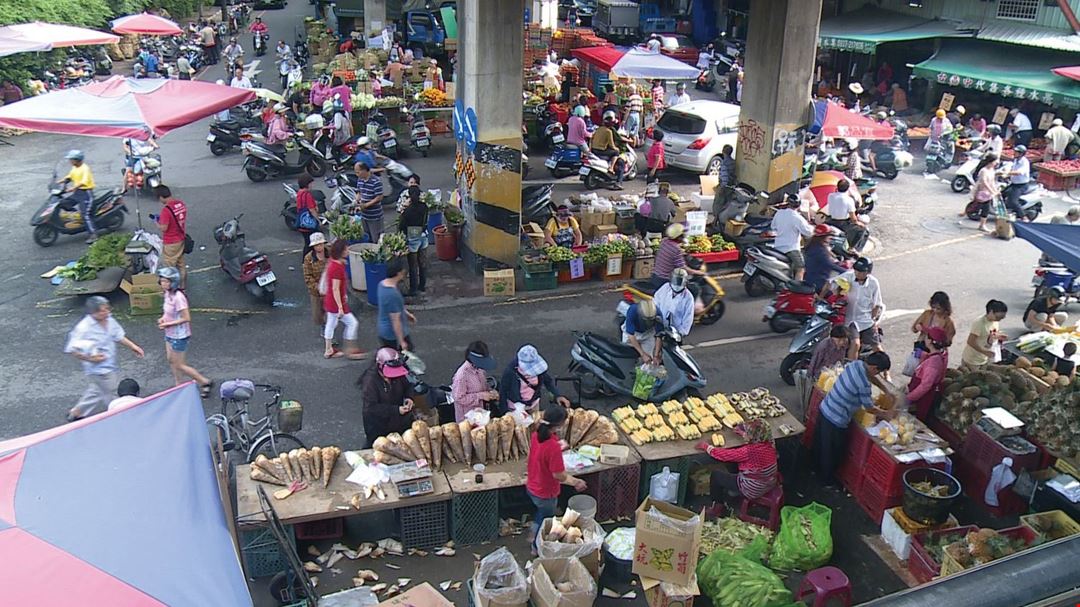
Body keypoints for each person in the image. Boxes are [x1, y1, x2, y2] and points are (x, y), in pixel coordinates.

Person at [814, 352, 894, 485]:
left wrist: (885, 389)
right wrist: (887, 414)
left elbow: (870, 376)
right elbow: (869, 408)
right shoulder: (864, 384)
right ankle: (826, 481)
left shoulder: (856, 364)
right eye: (878, 372)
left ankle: (815, 470)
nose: (877, 375)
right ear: (874, 368)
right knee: (832, 452)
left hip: (826, 407)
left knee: (821, 445)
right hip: (836, 419)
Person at [64, 296, 145, 421]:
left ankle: (77, 412)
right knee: (111, 391)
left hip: (109, 364)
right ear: (93, 313)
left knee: (97, 390)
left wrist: (133, 346)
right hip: (98, 369)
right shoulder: (84, 328)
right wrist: (91, 359)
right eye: (102, 310)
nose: (106, 312)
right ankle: (116, 415)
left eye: (107, 309)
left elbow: (118, 335)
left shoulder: (109, 320)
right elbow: (73, 349)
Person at [525, 405, 587, 553]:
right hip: (545, 492)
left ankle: (533, 532)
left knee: (541, 513)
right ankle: (536, 546)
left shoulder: (536, 435)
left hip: (532, 485)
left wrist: (558, 446)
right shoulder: (552, 447)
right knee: (545, 518)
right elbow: (558, 475)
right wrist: (576, 481)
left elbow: (542, 453)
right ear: (560, 424)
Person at [698, 419, 778, 511]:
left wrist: (707, 447)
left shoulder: (749, 451)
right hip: (770, 482)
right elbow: (757, 438)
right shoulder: (770, 443)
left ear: (751, 436)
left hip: (753, 488)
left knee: (716, 475)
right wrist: (743, 434)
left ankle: (717, 507)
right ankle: (733, 490)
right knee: (734, 463)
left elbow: (725, 455)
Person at [155, 266, 212, 395]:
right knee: (171, 359)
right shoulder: (167, 294)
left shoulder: (179, 297)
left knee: (179, 364)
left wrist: (168, 324)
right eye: (162, 281)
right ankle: (178, 384)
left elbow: (186, 318)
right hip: (169, 333)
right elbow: (168, 312)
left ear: (173, 282)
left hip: (179, 335)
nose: (163, 283)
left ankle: (204, 381)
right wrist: (163, 319)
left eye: (166, 281)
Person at [822, 257, 883, 359]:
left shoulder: (873, 283)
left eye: (860, 271)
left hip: (865, 320)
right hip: (850, 320)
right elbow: (830, 283)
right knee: (855, 344)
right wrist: (821, 297)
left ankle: (885, 368)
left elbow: (877, 304)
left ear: (867, 272)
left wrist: (873, 321)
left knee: (877, 347)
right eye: (856, 271)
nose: (857, 273)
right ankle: (852, 366)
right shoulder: (849, 276)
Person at [360, 348, 415, 447]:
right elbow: (370, 408)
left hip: (398, 422)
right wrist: (396, 410)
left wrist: (409, 397)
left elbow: (408, 386)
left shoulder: (398, 374)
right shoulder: (370, 382)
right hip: (378, 425)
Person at [322, 239, 366, 360]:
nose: (347, 251)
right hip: (336, 303)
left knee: (331, 324)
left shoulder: (333, 263)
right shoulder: (337, 267)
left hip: (331, 301)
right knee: (352, 323)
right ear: (341, 251)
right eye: (346, 249)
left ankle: (329, 349)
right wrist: (340, 307)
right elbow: (336, 288)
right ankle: (350, 349)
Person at [497, 345, 570, 415]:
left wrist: (558, 395)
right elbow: (503, 391)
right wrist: (505, 412)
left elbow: (548, 381)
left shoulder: (540, 371)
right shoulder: (510, 372)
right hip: (516, 407)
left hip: (534, 404)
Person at [905, 326, 949, 421]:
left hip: (922, 399)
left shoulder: (933, 364)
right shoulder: (942, 354)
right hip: (922, 394)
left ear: (929, 341)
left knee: (914, 420)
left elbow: (925, 385)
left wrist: (910, 397)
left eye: (927, 336)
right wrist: (924, 355)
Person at [451, 341, 499, 422]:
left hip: (480, 414)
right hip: (467, 419)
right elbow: (459, 398)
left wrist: (491, 391)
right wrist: (481, 396)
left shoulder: (480, 369)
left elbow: (483, 385)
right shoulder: (462, 376)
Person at [771, 193, 813, 282]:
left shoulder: (779, 213)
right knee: (801, 267)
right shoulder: (797, 217)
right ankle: (797, 286)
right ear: (798, 205)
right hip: (791, 248)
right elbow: (808, 232)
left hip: (777, 246)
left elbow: (773, 226)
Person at [153, 185, 189, 290]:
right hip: (180, 239)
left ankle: (172, 290)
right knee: (181, 264)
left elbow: (164, 228)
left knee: (169, 268)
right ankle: (183, 287)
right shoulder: (180, 204)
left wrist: (156, 222)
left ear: (161, 197)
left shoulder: (166, 210)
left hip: (171, 242)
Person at [59, 150, 98, 243]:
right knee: (63, 203)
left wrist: (73, 188)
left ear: (77, 160)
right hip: (78, 193)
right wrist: (60, 181)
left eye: (71, 159)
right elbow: (70, 176)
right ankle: (77, 218)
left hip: (86, 194)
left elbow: (84, 182)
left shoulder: (85, 168)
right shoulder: (75, 167)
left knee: (85, 214)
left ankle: (93, 234)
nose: (70, 161)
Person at [377, 257, 416, 351]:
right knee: (406, 354)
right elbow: (395, 320)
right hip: (392, 334)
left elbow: (396, 307)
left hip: (383, 331)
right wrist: (401, 341)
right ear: (399, 273)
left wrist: (407, 314)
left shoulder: (382, 284)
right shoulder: (393, 294)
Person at [650, 223, 703, 288]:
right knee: (692, 287)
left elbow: (670, 255)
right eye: (682, 235)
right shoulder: (676, 249)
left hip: (655, 277)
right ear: (678, 237)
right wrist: (698, 272)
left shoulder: (664, 241)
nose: (684, 237)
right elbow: (683, 268)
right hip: (665, 281)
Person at [398, 185, 429, 296]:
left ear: (409, 196)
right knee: (422, 263)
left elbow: (402, 226)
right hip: (423, 235)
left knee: (413, 265)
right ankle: (422, 285)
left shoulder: (408, 211)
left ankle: (414, 288)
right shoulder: (424, 207)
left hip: (412, 237)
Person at [960, 300, 1008, 369]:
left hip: (984, 358)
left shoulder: (995, 322)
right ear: (991, 312)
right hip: (972, 360)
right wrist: (984, 352)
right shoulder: (979, 323)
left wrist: (998, 336)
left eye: (1002, 318)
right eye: (998, 317)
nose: (999, 320)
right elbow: (970, 341)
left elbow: (990, 334)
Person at [803, 224, 847, 293]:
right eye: (829, 236)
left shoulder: (813, 245)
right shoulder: (819, 250)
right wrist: (846, 272)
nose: (830, 238)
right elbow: (828, 264)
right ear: (824, 237)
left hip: (810, 277)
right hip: (817, 281)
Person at [653, 268, 695, 337]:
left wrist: (680, 333)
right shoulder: (665, 288)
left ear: (685, 283)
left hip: (676, 331)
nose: (677, 285)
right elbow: (655, 301)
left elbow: (688, 318)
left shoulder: (688, 298)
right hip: (660, 325)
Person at [825, 179, 865, 249]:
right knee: (861, 230)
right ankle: (851, 248)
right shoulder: (849, 200)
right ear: (847, 188)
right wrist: (859, 223)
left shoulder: (830, 195)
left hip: (830, 220)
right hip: (842, 223)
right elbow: (853, 218)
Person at [590, 111, 625, 189]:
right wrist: (617, 148)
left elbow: (592, 139)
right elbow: (612, 145)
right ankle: (611, 168)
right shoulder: (609, 131)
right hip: (602, 151)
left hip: (594, 150)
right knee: (616, 153)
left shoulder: (598, 129)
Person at [965, 153, 999, 232]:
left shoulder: (992, 170)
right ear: (991, 161)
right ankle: (979, 223)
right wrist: (992, 191)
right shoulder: (984, 170)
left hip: (988, 193)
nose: (996, 163)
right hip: (982, 191)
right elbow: (984, 182)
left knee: (985, 208)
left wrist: (995, 190)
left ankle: (982, 225)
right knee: (979, 206)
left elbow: (992, 182)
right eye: (995, 161)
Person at [302, 231, 329, 328]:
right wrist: (318, 288)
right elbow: (308, 276)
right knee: (318, 314)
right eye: (317, 245)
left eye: (321, 244)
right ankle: (323, 326)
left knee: (331, 312)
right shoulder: (308, 259)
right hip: (316, 291)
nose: (319, 247)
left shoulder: (330, 253)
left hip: (330, 288)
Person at [622, 298, 661, 365]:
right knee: (626, 354)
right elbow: (631, 335)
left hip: (648, 333)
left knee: (650, 359)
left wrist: (656, 355)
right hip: (634, 332)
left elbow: (659, 335)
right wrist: (642, 354)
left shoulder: (658, 314)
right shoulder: (633, 310)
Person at [355, 162, 385, 242]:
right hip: (364, 215)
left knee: (376, 239)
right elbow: (359, 192)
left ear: (364, 170)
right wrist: (357, 199)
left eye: (358, 172)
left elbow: (379, 197)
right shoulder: (360, 180)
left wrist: (366, 205)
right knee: (367, 236)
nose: (357, 174)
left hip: (374, 216)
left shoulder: (376, 181)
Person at [294, 173, 321, 256]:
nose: (312, 185)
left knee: (307, 242)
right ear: (307, 184)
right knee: (313, 243)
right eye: (311, 183)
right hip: (309, 224)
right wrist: (318, 220)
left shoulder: (299, 193)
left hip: (302, 223)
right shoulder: (307, 195)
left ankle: (307, 260)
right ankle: (307, 260)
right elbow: (312, 210)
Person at [1003, 145, 1032, 221]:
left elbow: (1019, 172)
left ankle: (1024, 217)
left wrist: (1007, 173)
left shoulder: (1025, 162)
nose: (1014, 153)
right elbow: (1011, 167)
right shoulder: (1016, 160)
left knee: (1013, 201)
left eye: (1016, 152)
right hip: (1013, 183)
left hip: (1021, 185)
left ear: (1021, 154)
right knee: (1001, 194)